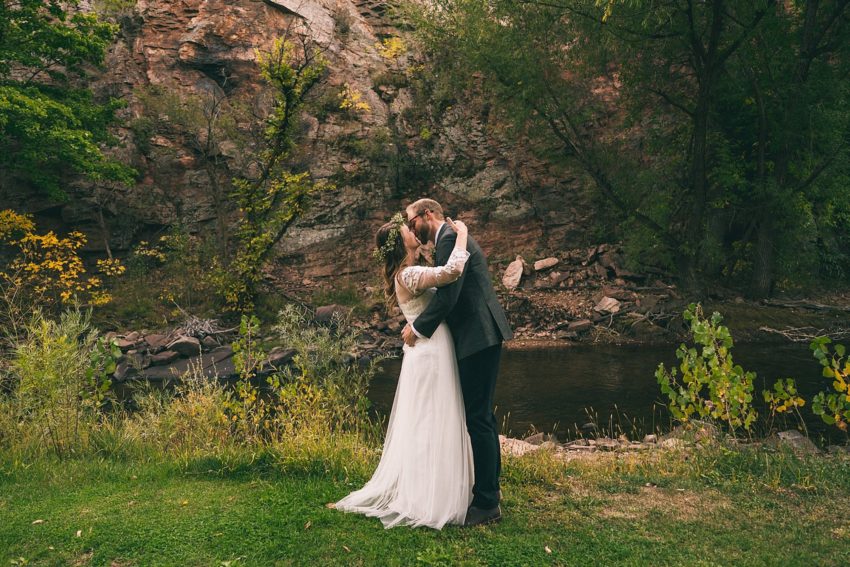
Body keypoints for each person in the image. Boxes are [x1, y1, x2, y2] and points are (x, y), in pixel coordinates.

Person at [334, 213, 474, 529]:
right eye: (405, 231)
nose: (412, 231)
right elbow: (452, 272)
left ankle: (438, 490)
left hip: (430, 347)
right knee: (429, 421)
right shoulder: (408, 275)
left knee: (432, 418)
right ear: (401, 243)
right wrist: (462, 234)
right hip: (430, 351)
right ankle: (429, 497)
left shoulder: (408, 271)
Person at [402, 198, 513, 527]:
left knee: (477, 419)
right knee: (483, 417)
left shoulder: (449, 237)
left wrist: (418, 328)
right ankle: (490, 489)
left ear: (428, 214)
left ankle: (486, 504)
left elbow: (450, 294)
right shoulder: (449, 236)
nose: (411, 229)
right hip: (482, 334)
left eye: (412, 222)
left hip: (477, 336)